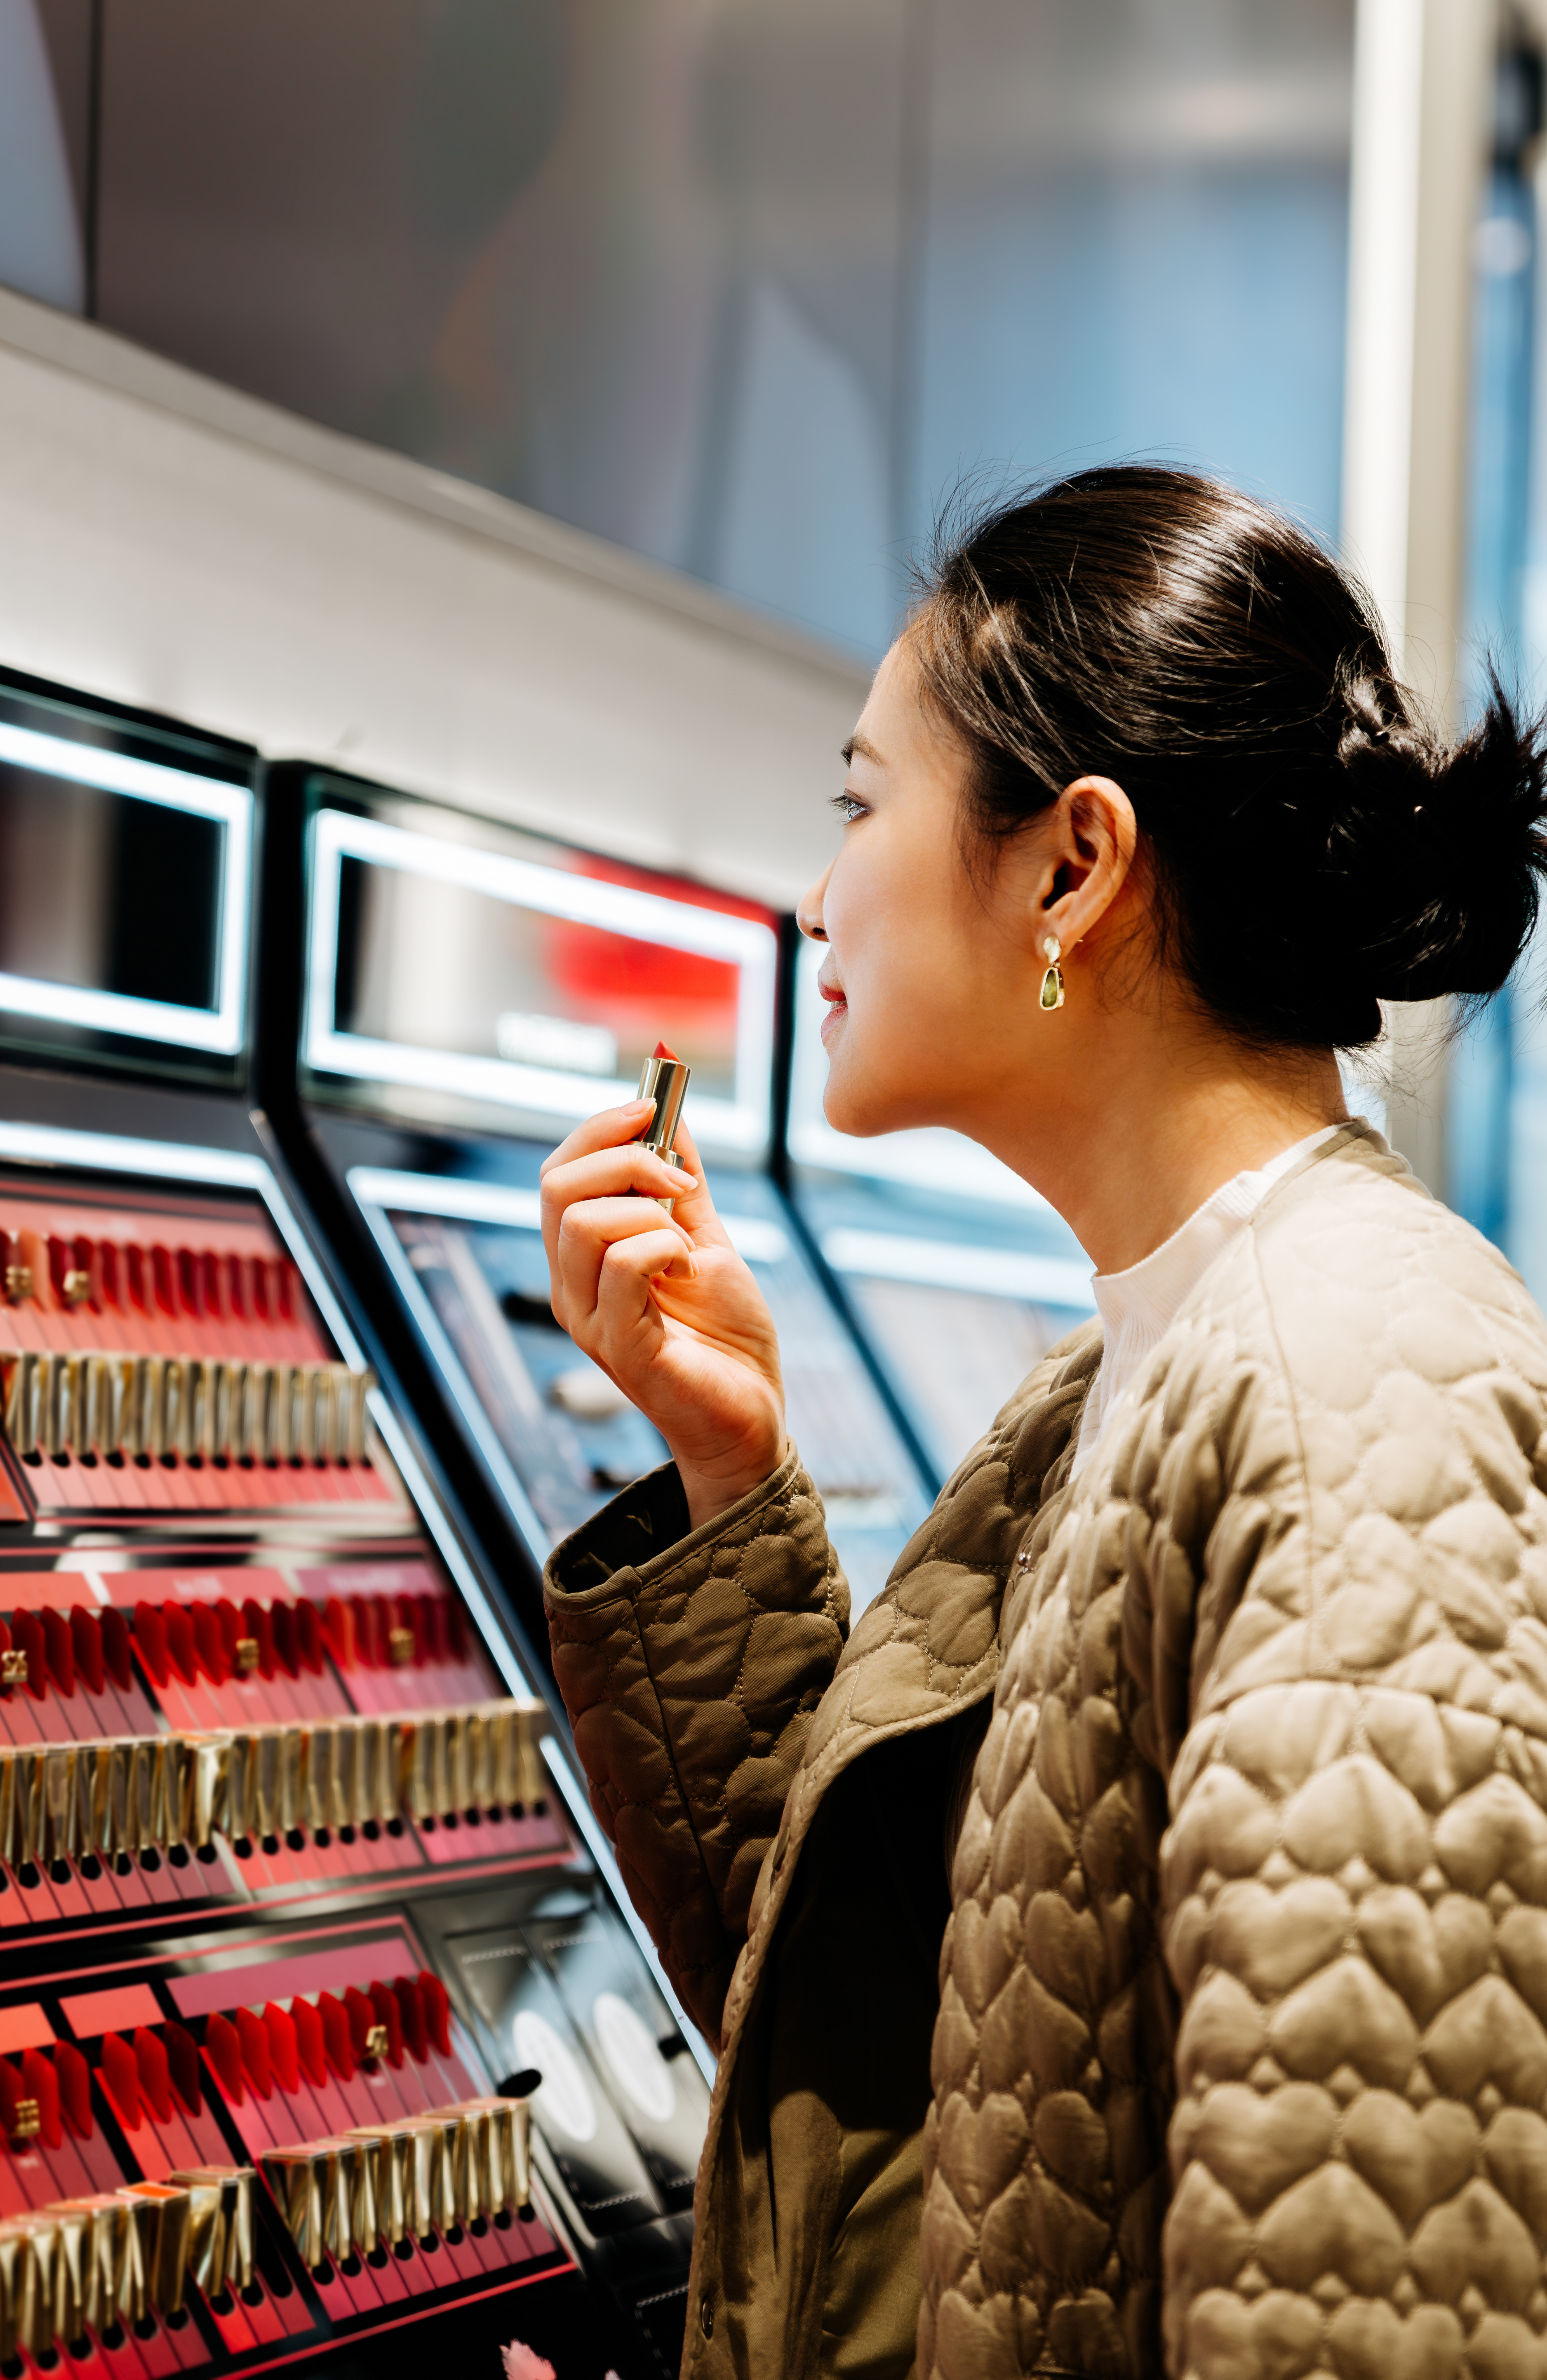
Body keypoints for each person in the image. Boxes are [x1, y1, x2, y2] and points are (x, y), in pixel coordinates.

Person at [538, 465, 1547, 2380]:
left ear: (1070, 867)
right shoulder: (1144, 1362)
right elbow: (939, 2075)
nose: (819, 889)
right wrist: (731, 1468)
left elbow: (1356, 2294)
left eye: (858, 801)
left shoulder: (1345, 1392)